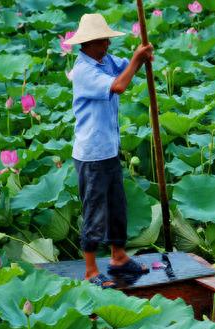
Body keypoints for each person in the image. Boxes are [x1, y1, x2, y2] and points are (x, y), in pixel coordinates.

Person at [65, 13, 154, 288]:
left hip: (109, 150)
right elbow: (119, 85)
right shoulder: (83, 70)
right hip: (91, 154)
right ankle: (91, 270)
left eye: (106, 39)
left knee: (117, 206)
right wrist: (138, 59)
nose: (107, 43)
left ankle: (118, 257)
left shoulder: (105, 61)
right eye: (102, 40)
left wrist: (142, 58)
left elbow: (125, 68)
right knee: (95, 211)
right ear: (89, 43)